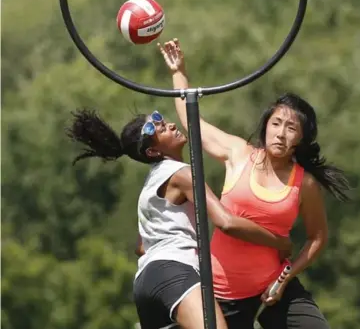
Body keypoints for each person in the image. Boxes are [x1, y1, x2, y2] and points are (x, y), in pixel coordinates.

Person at [159, 38, 351, 329]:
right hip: (222, 293)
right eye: (276, 124)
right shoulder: (238, 154)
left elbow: (317, 238)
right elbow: (190, 121)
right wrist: (178, 72)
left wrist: (284, 278)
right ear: (266, 126)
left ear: (301, 139)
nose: (281, 134)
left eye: (291, 128)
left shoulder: (304, 184)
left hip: (273, 285)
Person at [66, 108, 293, 329]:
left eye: (165, 122)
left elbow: (141, 248)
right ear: (153, 152)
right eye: (162, 129)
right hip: (174, 272)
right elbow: (226, 222)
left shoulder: (150, 185)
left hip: (146, 284)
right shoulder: (181, 174)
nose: (172, 125)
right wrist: (278, 241)